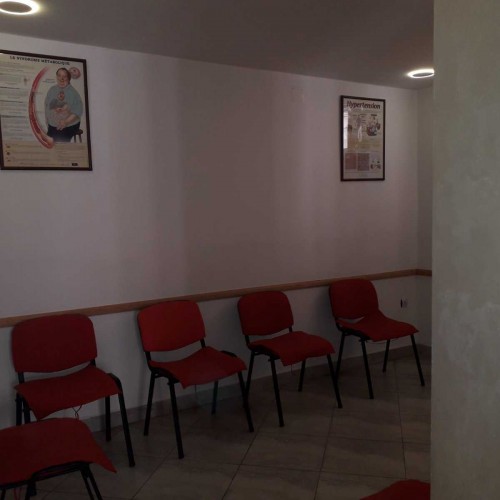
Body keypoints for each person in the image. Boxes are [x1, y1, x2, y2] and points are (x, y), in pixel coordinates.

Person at [44, 67, 83, 142]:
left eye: (64, 76)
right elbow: (48, 106)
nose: (61, 79)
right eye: (59, 76)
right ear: (56, 77)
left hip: (68, 125)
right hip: (53, 126)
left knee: (59, 143)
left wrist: (66, 122)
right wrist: (48, 120)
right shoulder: (52, 89)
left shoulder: (73, 92)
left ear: (68, 78)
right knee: (48, 142)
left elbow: (77, 111)